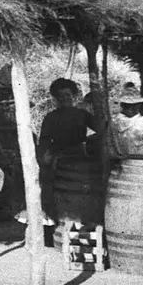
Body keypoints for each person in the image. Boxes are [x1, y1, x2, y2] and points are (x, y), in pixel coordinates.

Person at [35, 77, 97, 221]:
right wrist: (45, 156)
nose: (64, 99)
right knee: (55, 192)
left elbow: (100, 129)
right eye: (61, 96)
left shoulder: (82, 114)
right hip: (58, 158)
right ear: (56, 98)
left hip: (79, 157)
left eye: (67, 95)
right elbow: (44, 140)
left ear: (73, 96)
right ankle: (55, 221)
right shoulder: (50, 117)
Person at [110, 82, 143, 157]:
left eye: (133, 106)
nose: (130, 109)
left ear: (138, 106)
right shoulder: (114, 121)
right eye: (127, 105)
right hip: (119, 160)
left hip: (140, 160)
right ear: (122, 105)